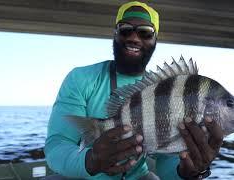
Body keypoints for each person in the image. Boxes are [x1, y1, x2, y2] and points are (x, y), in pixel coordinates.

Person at [44, 1, 223, 179]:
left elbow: (167, 165)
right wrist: (91, 161)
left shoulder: (165, 89)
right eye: (125, 30)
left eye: (145, 32)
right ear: (115, 33)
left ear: (155, 39)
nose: (134, 38)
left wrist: (188, 170)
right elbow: (57, 145)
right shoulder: (81, 78)